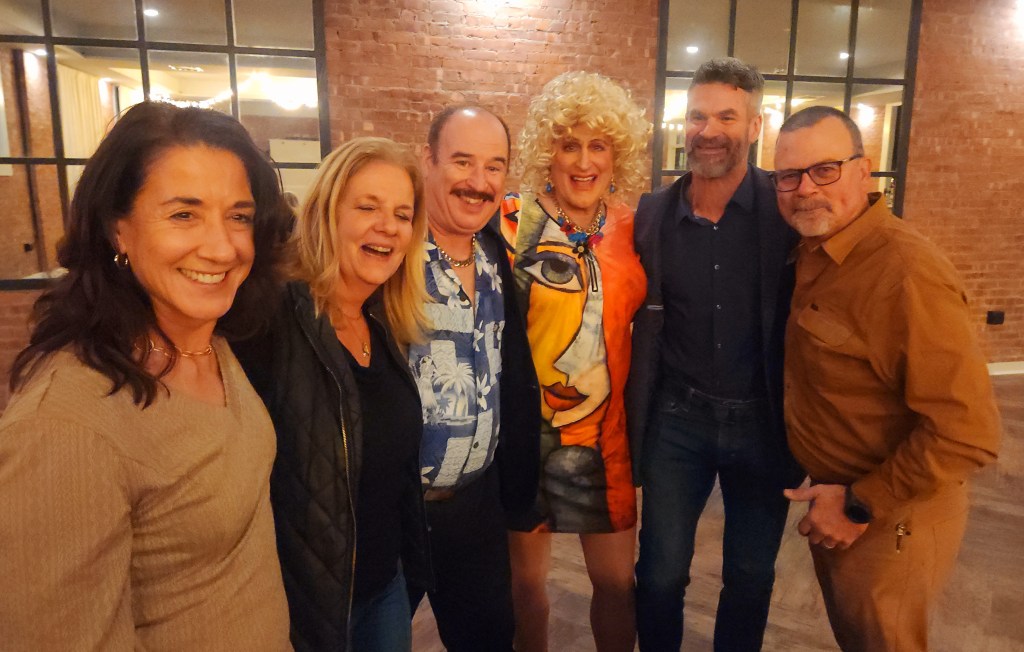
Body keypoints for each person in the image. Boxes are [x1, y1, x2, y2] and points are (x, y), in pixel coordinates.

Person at [0, 101, 293, 650]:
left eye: (239, 216)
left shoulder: (209, 342)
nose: (222, 247)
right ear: (118, 229)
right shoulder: (63, 426)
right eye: (184, 215)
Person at [774, 105, 1002, 652]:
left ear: (863, 170)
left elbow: (968, 432)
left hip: (889, 516)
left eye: (824, 170)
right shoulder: (816, 252)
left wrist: (860, 504)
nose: (805, 189)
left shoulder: (905, 272)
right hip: (837, 502)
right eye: (789, 175)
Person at [627, 57, 805, 651]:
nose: (708, 130)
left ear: (755, 126)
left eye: (727, 117)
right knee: (659, 575)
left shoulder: (786, 210)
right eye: (697, 116)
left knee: (751, 576)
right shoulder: (653, 214)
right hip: (677, 420)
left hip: (764, 422)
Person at [232, 137, 431, 651]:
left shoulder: (381, 322)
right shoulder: (271, 320)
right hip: (305, 609)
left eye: (402, 214)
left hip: (384, 590)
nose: (388, 226)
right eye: (367, 207)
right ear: (327, 214)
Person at [499, 70, 650, 652]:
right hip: (524, 437)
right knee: (525, 587)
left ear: (617, 156)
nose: (584, 162)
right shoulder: (509, 222)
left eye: (599, 146)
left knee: (616, 585)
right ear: (549, 153)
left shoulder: (636, 228)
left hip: (606, 439)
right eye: (569, 145)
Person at [406, 105, 541, 652]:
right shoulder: (391, 253)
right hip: (395, 511)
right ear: (428, 160)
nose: (478, 182)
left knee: (488, 638)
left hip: (475, 504)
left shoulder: (493, 254)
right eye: (462, 162)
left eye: (494, 166)